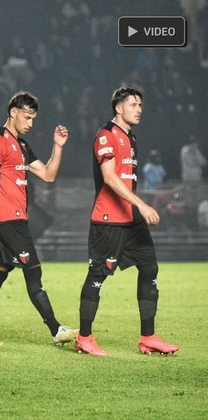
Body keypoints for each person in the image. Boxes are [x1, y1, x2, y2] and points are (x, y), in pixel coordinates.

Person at [0, 91, 77, 347]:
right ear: (13, 112)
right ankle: (56, 329)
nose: (30, 123)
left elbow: (48, 175)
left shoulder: (22, 146)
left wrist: (58, 147)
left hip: (18, 219)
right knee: (33, 270)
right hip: (6, 220)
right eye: (27, 117)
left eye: (33, 119)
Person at [75, 87, 179, 356]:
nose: (139, 109)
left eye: (140, 104)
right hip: (108, 220)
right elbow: (109, 178)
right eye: (133, 104)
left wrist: (136, 208)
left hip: (131, 220)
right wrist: (142, 204)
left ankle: (148, 337)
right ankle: (84, 337)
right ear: (118, 108)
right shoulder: (106, 134)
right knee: (97, 276)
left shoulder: (130, 136)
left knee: (149, 268)